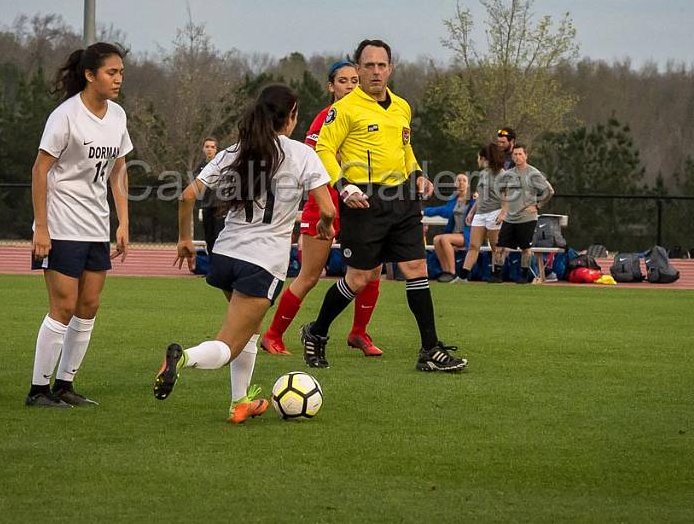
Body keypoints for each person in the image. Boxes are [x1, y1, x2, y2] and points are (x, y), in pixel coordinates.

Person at [159, 84, 335, 424]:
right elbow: (326, 207)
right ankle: (182, 359)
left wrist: (185, 239)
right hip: (263, 262)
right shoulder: (301, 154)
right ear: (292, 117)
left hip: (225, 255)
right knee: (228, 345)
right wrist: (326, 225)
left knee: (250, 329)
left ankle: (239, 402)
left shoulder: (234, 152)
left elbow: (186, 196)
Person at [300, 39, 468, 372]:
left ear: (390, 68)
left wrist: (418, 175)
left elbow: (405, 149)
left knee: (416, 270)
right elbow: (323, 151)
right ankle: (316, 332)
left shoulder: (402, 107)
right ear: (358, 69)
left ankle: (429, 350)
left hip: (403, 200)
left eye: (382, 65)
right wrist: (343, 187)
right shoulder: (345, 109)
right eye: (369, 65)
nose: (376, 71)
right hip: (363, 202)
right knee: (359, 278)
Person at [26, 42, 132, 408]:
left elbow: (119, 168)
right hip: (61, 224)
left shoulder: (117, 116)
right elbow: (40, 169)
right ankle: (38, 390)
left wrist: (122, 221)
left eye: (120, 72)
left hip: (96, 225)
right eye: (111, 72)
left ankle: (65, 385)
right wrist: (42, 227)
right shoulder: (65, 116)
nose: (118, 79)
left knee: (89, 305)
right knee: (64, 306)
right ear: (90, 75)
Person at [261, 60, 384, 357]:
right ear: (331, 86)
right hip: (325, 203)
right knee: (310, 275)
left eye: (355, 80)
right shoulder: (326, 118)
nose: (351, 86)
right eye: (343, 81)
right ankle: (273, 335)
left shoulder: (367, 116)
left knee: (373, 270)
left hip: (358, 205)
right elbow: (311, 160)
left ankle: (358, 333)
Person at [495, 144, 553, 283]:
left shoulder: (533, 173)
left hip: (527, 217)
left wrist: (537, 205)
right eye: (515, 154)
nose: (517, 157)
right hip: (510, 217)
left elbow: (549, 191)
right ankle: (496, 275)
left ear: (526, 156)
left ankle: (523, 276)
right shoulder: (509, 174)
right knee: (500, 246)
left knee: (525, 248)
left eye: (520, 154)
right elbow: (501, 191)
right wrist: (505, 208)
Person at [456, 144, 508, 283]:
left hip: (495, 212)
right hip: (481, 213)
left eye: (478, 157)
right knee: (473, 246)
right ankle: (462, 277)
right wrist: (472, 212)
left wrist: (503, 213)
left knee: (495, 247)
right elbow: (481, 195)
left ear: (484, 158)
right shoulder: (483, 173)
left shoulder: (501, 174)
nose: (477, 160)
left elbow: (506, 195)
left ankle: (497, 275)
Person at [422, 173, 473, 283]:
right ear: (455, 184)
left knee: (445, 239)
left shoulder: (473, 200)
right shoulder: (453, 200)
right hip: (454, 234)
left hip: (466, 235)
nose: (461, 183)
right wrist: (424, 211)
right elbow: (443, 211)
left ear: (468, 185)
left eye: (464, 180)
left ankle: (452, 272)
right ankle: (445, 271)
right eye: (458, 180)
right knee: (436, 239)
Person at [193, 137, 225, 256]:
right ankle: (210, 268)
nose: (209, 149)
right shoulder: (200, 166)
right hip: (207, 206)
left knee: (219, 238)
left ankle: (220, 268)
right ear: (203, 149)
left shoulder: (221, 165)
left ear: (216, 149)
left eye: (212, 147)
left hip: (220, 207)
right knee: (209, 238)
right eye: (207, 147)